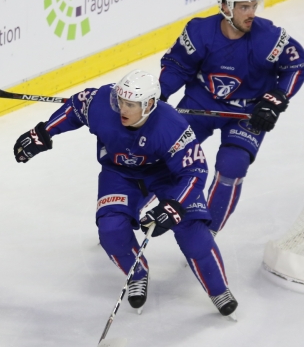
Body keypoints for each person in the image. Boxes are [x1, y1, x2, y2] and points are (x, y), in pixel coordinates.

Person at [13, 70, 237, 317]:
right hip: (119, 174)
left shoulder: (171, 126)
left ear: (150, 104)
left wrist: (174, 206)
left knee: (193, 232)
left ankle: (218, 290)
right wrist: (43, 133)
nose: (123, 109)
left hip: (166, 177)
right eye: (121, 101)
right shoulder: (101, 102)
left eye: (131, 104)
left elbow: (194, 171)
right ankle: (137, 273)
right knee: (110, 229)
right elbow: (76, 107)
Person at [159, 0, 304, 234]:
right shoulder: (199, 31)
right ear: (225, 7)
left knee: (232, 166)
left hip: (248, 112)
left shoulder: (271, 37)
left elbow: (296, 66)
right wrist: (159, 93)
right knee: (165, 155)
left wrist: (275, 99)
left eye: (253, 6)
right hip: (201, 102)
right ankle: (130, 212)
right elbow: (177, 66)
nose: (251, 13)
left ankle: (207, 232)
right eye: (243, 7)